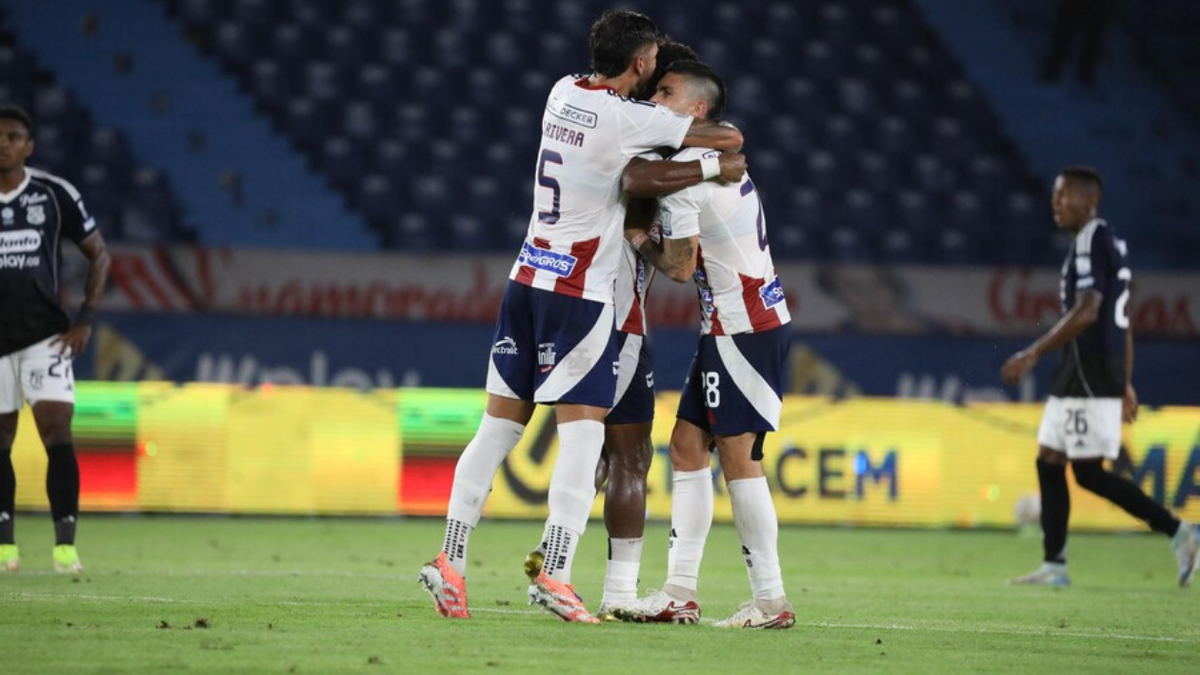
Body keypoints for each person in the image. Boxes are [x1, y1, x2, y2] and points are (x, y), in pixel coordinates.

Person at [417, 11, 744, 624]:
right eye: (651, 63)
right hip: (578, 292)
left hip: (526, 278)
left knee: (496, 431)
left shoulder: (562, 91)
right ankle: (558, 576)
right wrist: (708, 160)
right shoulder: (630, 119)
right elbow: (724, 142)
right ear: (642, 64)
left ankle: (449, 560)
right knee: (584, 436)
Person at [521, 39, 731, 619]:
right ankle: (599, 585)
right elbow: (681, 267)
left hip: (569, 298)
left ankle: (556, 559)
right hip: (614, 317)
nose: (653, 97)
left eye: (666, 92)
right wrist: (645, 240)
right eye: (655, 87)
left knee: (597, 451)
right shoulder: (655, 156)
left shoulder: (606, 123)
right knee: (627, 455)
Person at [615, 61, 796, 628]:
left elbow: (678, 265)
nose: (654, 97)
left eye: (665, 92)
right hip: (734, 322)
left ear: (696, 110)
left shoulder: (688, 173)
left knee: (738, 459)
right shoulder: (705, 161)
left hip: (743, 325)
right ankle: (679, 592)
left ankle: (771, 599)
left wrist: (639, 237)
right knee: (689, 447)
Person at [1002, 165, 1198, 587]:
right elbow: (1120, 321)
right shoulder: (1103, 243)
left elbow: (1091, 310)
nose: (1056, 204)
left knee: (1088, 472)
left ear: (1089, 201)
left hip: (1088, 374)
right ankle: (1054, 565)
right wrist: (1125, 380)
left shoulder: (1093, 239)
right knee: (1049, 459)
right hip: (1083, 372)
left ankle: (1179, 531)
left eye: (1063, 196)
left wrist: (1032, 352)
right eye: (1055, 196)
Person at [0, 105, 111, 573]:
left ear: (29, 145)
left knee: (56, 432)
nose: (3, 143)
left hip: (46, 336)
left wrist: (85, 318)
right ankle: (4, 547)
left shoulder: (53, 193)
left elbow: (99, 255)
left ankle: (65, 545)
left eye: (13, 136)